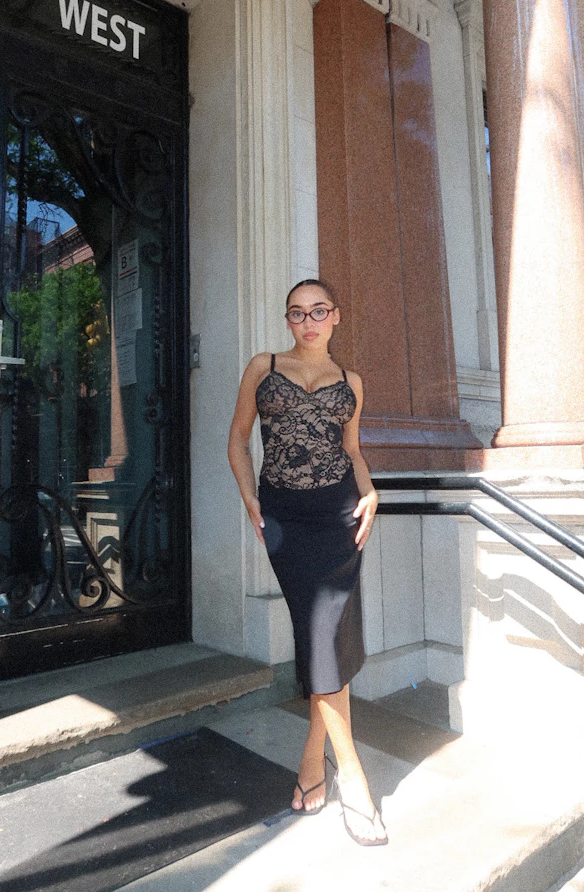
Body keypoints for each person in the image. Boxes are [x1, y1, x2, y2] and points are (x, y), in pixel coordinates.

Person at [228, 278, 388, 847]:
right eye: (298, 313)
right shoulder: (263, 366)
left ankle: (313, 767)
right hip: (287, 522)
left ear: (336, 316)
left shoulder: (352, 383)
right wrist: (251, 496)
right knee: (320, 633)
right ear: (289, 320)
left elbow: (352, 450)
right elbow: (239, 438)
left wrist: (369, 493)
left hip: (342, 517)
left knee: (327, 640)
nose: (309, 320)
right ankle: (357, 784)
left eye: (319, 311)